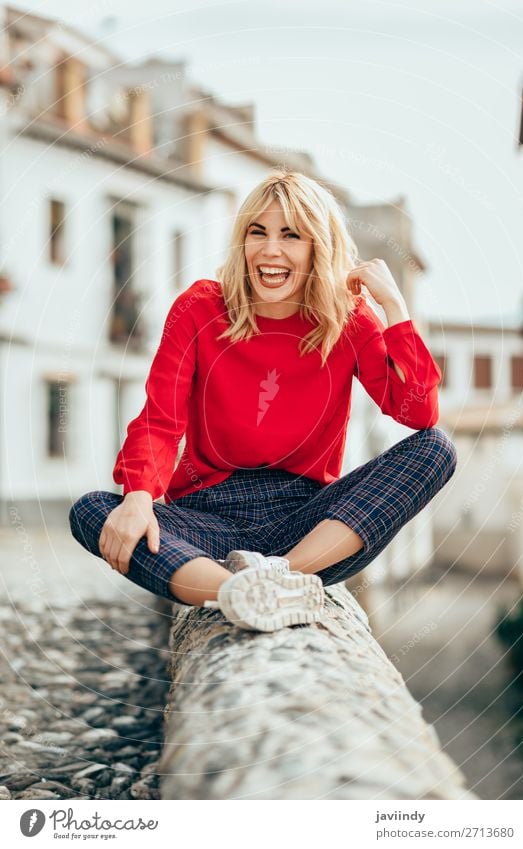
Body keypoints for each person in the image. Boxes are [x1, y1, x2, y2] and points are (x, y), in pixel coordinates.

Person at [69, 167, 457, 632]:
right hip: (205, 521)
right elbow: (160, 419)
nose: (270, 250)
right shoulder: (200, 308)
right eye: (259, 232)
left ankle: (281, 577)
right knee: (93, 511)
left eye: (291, 235)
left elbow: (418, 412)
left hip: (308, 528)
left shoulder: (350, 321)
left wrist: (394, 307)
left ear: (319, 246)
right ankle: (240, 592)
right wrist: (137, 498)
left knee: (436, 449)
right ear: (243, 241)